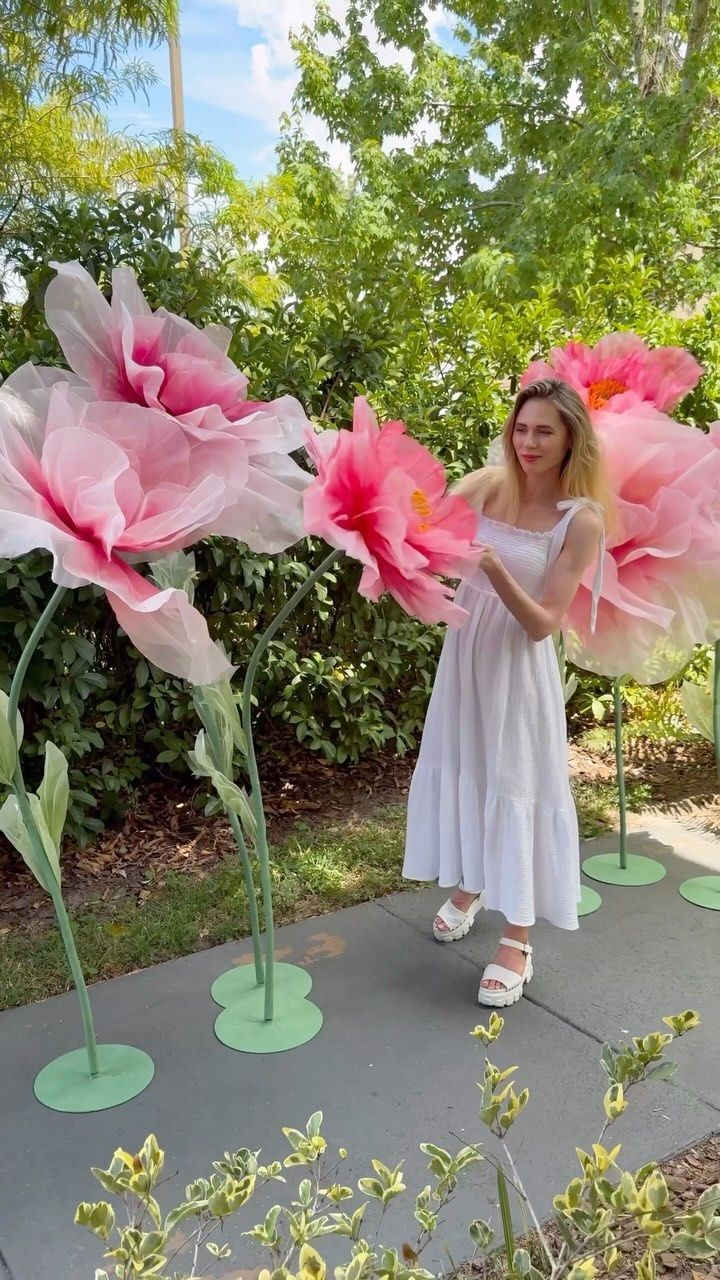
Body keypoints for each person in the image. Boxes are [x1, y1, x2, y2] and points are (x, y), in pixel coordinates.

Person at [402, 377, 613, 1008]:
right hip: (467, 655)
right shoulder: (488, 485)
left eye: (545, 430)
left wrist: (493, 567)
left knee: (516, 783)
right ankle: (471, 881)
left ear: (572, 437)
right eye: (522, 428)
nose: (529, 442)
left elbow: (546, 622)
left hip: (519, 666)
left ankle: (517, 937)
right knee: (469, 767)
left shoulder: (582, 521)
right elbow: (424, 529)